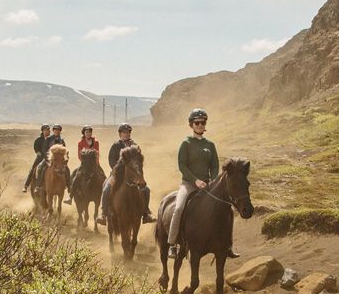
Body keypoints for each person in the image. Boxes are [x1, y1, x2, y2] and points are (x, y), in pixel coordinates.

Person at [167, 108, 238, 259]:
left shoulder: (210, 145)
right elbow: (182, 166)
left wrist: (211, 180)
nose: (200, 125)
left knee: (229, 210)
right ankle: (172, 244)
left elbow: (214, 165)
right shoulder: (185, 144)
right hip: (188, 185)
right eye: (197, 122)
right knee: (179, 208)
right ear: (191, 125)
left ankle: (228, 245)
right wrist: (195, 180)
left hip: (207, 185)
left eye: (203, 122)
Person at [96, 123, 156, 225]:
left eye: (128, 132)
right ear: (120, 134)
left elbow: (138, 160)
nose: (126, 134)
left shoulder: (135, 146)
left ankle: (146, 213)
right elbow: (111, 160)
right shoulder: (115, 146)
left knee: (146, 189)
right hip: (117, 174)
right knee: (106, 188)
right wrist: (119, 170)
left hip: (132, 175)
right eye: (124, 132)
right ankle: (103, 214)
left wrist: (136, 172)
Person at [64, 125, 104, 205]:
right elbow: (79, 155)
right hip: (84, 164)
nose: (88, 134)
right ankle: (70, 197)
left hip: (95, 164)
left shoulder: (96, 142)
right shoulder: (80, 143)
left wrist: (95, 163)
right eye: (86, 132)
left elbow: (97, 153)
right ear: (84, 133)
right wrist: (85, 163)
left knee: (104, 177)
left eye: (89, 132)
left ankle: (105, 196)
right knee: (76, 176)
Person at [33, 124, 70, 193]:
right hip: (49, 159)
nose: (57, 131)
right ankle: (38, 186)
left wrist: (66, 158)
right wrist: (48, 159)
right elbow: (44, 150)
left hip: (59, 160)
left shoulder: (61, 140)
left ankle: (68, 185)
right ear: (53, 131)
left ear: (60, 131)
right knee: (40, 167)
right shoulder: (48, 139)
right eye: (55, 130)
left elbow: (65, 150)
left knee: (67, 169)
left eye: (58, 130)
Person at [23, 123, 51, 192]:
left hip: (49, 157)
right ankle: (26, 186)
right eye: (45, 130)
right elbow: (36, 148)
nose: (46, 131)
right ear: (42, 131)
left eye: (47, 130)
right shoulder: (38, 139)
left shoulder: (51, 139)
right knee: (33, 169)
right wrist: (38, 152)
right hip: (40, 157)